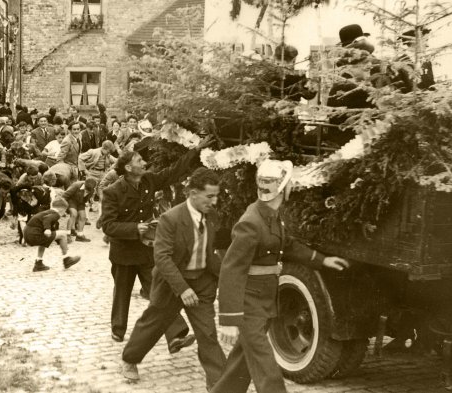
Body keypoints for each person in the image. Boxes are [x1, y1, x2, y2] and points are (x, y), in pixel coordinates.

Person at [211, 159, 349, 393]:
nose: (291, 188)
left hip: (263, 301)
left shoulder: (271, 215)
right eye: (288, 185)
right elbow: (231, 270)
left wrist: (322, 260)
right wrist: (229, 321)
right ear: (282, 189)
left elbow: (289, 245)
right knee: (267, 371)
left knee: (242, 362)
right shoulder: (251, 223)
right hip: (249, 307)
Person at [101, 136, 214, 345]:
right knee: (122, 292)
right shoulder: (112, 192)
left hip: (146, 250)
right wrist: (134, 228)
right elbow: (107, 225)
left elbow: (174, 171)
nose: (144, 163)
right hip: (124, 252)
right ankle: (118, 329)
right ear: (128, 167)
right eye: (139, 161)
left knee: (160, 290)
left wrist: (196, 149)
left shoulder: (149, 181)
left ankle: (176, 334)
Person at [121, 168, 227, 389]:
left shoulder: (212, 216)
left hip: (201, 283)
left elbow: (210, 251)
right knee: (153, 324)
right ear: (193, 193)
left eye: (216, 196)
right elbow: (162, 258)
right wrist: (182, 289)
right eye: (210, 196)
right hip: (171, 284)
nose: (214, 201)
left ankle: (219, 386)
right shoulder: (171, 219)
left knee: (208, 334)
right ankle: (130, 359)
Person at [24, 197, 81, 272]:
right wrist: (47, 229)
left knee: (45, 241)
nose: (64, 213)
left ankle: (38, 263)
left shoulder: (48, 212)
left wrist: (60, 241)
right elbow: (47, 220)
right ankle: (67, 260)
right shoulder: (56, 214)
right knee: (63, 234)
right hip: (34, 234)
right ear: (61, 209)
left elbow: (52, 230)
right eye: (64, 211)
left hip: (28, 234)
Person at [61, 178, 97, 242]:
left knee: (83, 217)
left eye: (89, 191)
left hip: (81, 202)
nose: (87, 192)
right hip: (71, 200)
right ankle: (67, 234)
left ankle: (79, 236)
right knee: (74, 214)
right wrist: (63, 205)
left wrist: (86, 203)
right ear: (85, 184)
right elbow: (65, 195)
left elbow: (86, 199)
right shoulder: (76, 185)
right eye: (86, 190)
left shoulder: (92, 190)